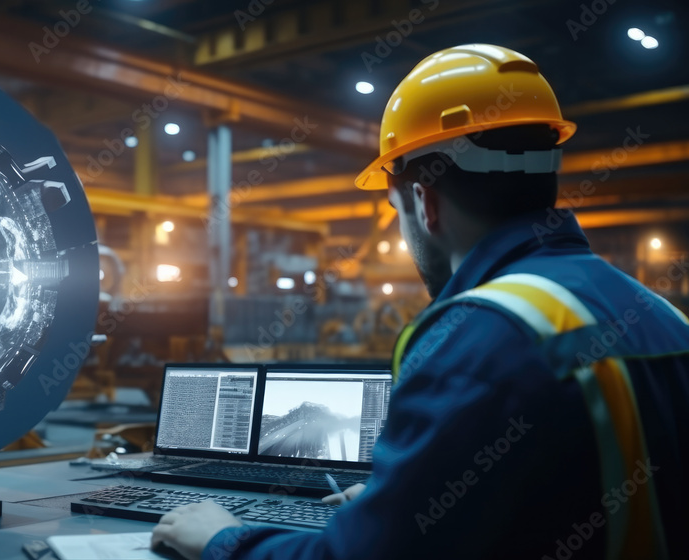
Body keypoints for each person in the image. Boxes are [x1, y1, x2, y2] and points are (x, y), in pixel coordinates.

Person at [150, 44, 689, 560]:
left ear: (423, 201)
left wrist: (224, 539)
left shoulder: (480, 338)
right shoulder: (665, 319)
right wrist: (410, 500)